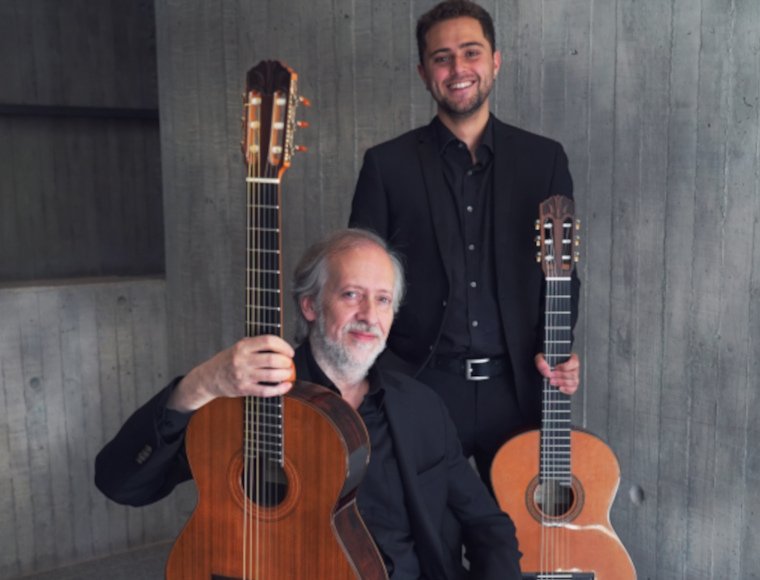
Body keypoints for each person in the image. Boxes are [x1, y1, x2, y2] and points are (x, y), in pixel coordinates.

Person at [94, 228, 522, 579]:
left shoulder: (421, 407)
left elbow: (487, 524)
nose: (369, 315)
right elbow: (121, 484)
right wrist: (199, 384)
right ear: (310, 305)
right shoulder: (249, 400)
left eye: (383, 299)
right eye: (351, 294)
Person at [349, 0, 581, 485]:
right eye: (442, 58)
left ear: (495, 61)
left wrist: (559, 353)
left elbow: (562, 275)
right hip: (419, 387)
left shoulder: (544, 161)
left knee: (515, 528)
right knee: (425, 528)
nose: (458, 69)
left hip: (517, 388)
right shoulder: (386, 166)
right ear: (423, 72)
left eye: (471, 52)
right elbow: (357, 283)